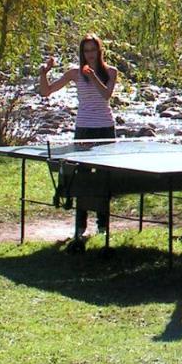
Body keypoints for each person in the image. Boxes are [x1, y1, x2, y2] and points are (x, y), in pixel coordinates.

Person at [39, 33, 118, 252]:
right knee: (81, 176)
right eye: (86, 51)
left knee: (103, 177)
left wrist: (93, 76)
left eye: (93, 50)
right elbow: (46, 92)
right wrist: (43, 74)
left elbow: (106, 95)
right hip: (83, 128)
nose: (89, 55)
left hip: (104, 128)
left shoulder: (111, 71)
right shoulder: (74, 73)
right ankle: (79, 227)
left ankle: (103, 224)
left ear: (99, 52)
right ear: (81, 53)